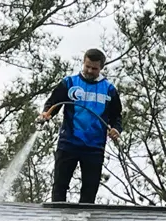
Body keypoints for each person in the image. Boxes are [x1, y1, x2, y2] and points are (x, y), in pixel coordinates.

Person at [39, 48, 123, 204]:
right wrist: (46, 114)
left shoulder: (109, 89)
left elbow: (117, 116)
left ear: (101, 68)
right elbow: (53, 104)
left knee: (89, 191)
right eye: (87, 67)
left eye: (94, 68)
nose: (90, 71)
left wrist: (116, 129)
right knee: (59, 186)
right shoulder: (69, 83)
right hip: (68, 143)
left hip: (94, 147)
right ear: (83, 63)